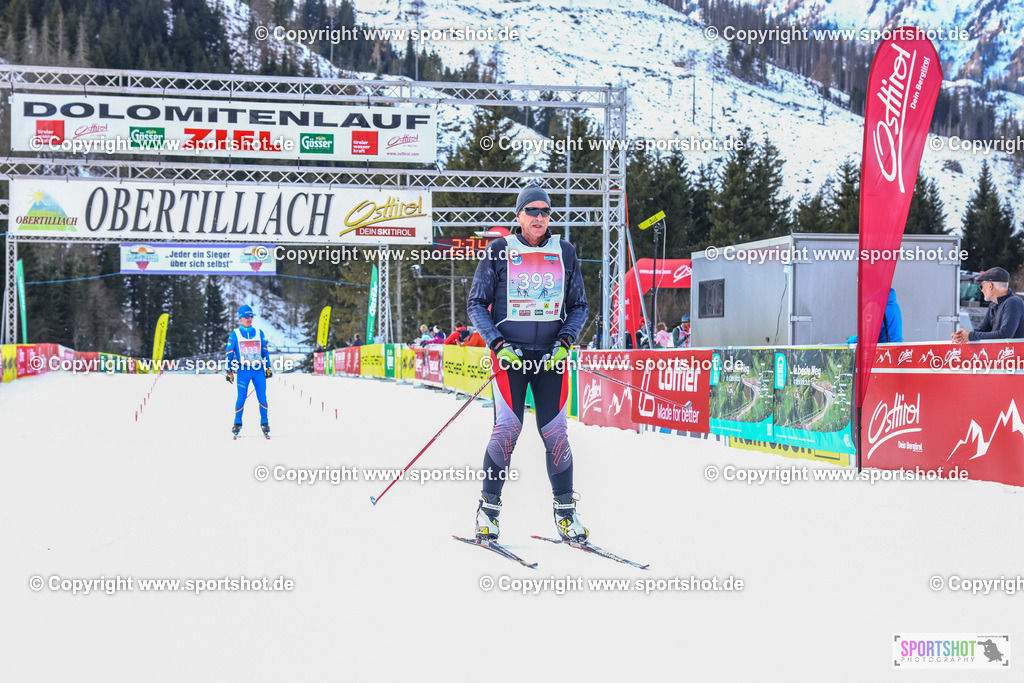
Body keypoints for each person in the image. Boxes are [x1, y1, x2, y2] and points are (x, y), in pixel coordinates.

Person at [467, 184, 589, 543]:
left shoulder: (564, 252)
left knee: (556, 435)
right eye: (532, 211)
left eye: (545, 212)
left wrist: (565, 342)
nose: (539, 217)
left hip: (551, 357)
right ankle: (488, 513)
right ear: (518, 215)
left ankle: (566, 515)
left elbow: (579, 305)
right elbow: (476, 303)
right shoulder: (499, 250)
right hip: (511, 356)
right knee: (507, 431)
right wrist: (498, 344)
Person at [225, 305, 272, 438]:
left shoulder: (259, 333)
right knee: (241, 398)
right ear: (240, 318)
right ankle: (237, 423)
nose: (249, 319)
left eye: (251, 316)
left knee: (262, 397)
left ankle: (265, 423)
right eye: (246, 316)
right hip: (243, 371)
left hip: (258, 371)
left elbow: (265, 352)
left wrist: (268, 367)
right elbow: (229, 354)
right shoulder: (235, 335)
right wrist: (229, 371)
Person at [952, 267, 1024, 343]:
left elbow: (1004, 335)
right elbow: (982, 329)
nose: (982, 290)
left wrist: (970, 336)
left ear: (990, 286)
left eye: (981, 286)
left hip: (1014, 354)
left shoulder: (1013, 302)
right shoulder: (993, 305)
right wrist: (962, 336)